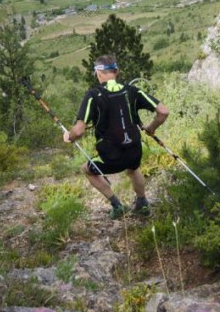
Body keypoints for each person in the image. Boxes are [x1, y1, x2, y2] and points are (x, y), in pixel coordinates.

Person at [63, 54, 169, 219]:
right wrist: (151, 128)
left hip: (111, 158)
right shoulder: (132, 90)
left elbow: (78, 131)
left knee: (87, 169)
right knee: (133, 169)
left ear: (98, 72)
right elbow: (163, 112)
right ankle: (142, 204)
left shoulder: (93, 95)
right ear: (116, 71)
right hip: (134, 152)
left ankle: (117, 206)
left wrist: (69, 137)